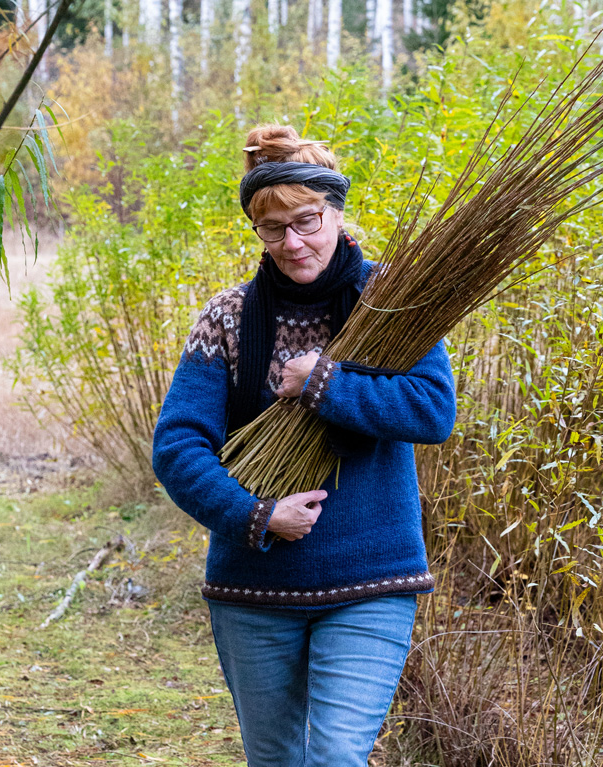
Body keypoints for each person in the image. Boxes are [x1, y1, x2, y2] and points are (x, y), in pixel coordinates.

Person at [151, 124, 457, 767]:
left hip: (373, 577)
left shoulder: (392, 303)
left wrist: (323, 382)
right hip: (254, 585)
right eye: (272, 228)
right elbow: (178, 446)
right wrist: (255, 516)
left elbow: (432, 412)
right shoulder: (228, 317)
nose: (292, 242)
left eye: (307, 221)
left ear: (338, 215)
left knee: (336, 759)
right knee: (277, 761)